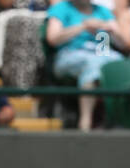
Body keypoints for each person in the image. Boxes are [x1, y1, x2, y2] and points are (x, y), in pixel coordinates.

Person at [46, 0, 123, 130]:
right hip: (70, 55)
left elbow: (123, 43)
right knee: (93, 65)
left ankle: (122, 119)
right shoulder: (61, 8)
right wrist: (83, 26)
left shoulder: (103, 11)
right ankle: (85, 123)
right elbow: (53, 39)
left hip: (103, 52)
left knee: (123, 66)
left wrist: (109, 28)